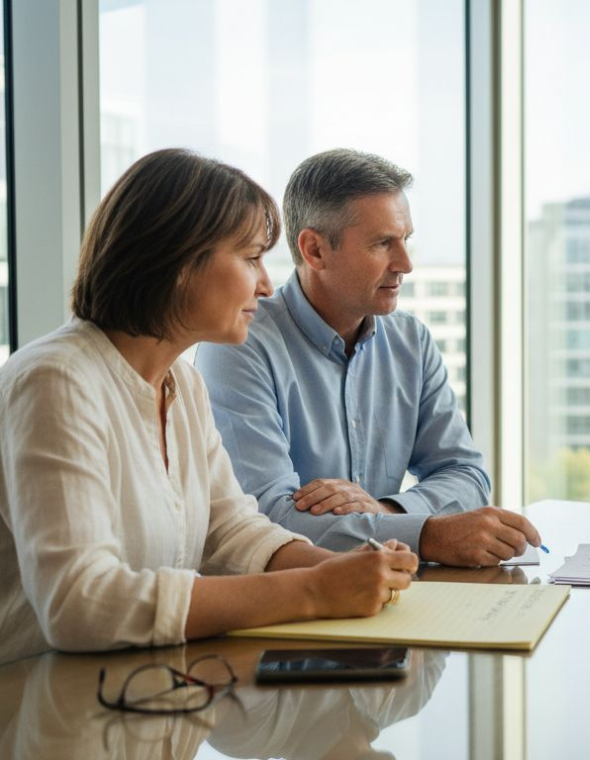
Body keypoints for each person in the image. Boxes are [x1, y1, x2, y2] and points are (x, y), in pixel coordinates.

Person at [0, 149, 417, 661]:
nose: (266, 284)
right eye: (250, 258)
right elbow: (80, 603)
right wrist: (312, 590)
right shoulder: (56, 381)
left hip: (137, 701)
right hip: (40, 711)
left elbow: (231, 532)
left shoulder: (181, 384)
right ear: (176, 262)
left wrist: (337, 567)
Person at [196, 149, 541, 568]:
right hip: (290, 609)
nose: (406, 264)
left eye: (406, 240)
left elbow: (467, 476)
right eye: (383, 244)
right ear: (315, 250)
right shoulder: (239, 343)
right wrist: (426, 533)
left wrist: (388, 511)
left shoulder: (410, 340)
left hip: (391, 591)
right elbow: (265, 520)